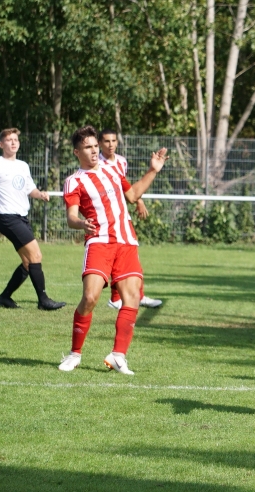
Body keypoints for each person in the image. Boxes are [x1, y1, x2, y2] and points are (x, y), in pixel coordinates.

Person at [58, 126, 167, 375]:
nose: (95, 150)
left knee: (132, 299)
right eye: (88, 147)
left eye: (95, 146)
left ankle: (118, 355)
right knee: (90, 298)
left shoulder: (114, 170)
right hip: (99, 242)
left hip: (127, 241)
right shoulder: (74, 181)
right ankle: (75, 354)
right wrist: (80, 223)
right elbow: (71, 217)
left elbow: (134, 194)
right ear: (77, 152)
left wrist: (153, 171)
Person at [0, 128, 65, 310]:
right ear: (1, 144)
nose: (13, 142)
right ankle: (43, 300)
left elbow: (29, 189)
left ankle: (5, 297)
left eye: (15, 139)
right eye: (9, 140)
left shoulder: (23, 166)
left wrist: (40, 194)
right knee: (36, 255)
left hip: (21, 218)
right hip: (7, 218)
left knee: (27, 262)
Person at [98, 129, 162, 310]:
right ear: (100, 144)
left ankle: (136, 296)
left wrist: (138, 199)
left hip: (122, 216)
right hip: (107, 219)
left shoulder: (121, 161)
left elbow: (124, 188)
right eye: (106, 141)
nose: (110, 144)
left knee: (131, 256)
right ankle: (116, 297)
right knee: (116, 257)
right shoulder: (98, 165)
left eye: (113, 141)